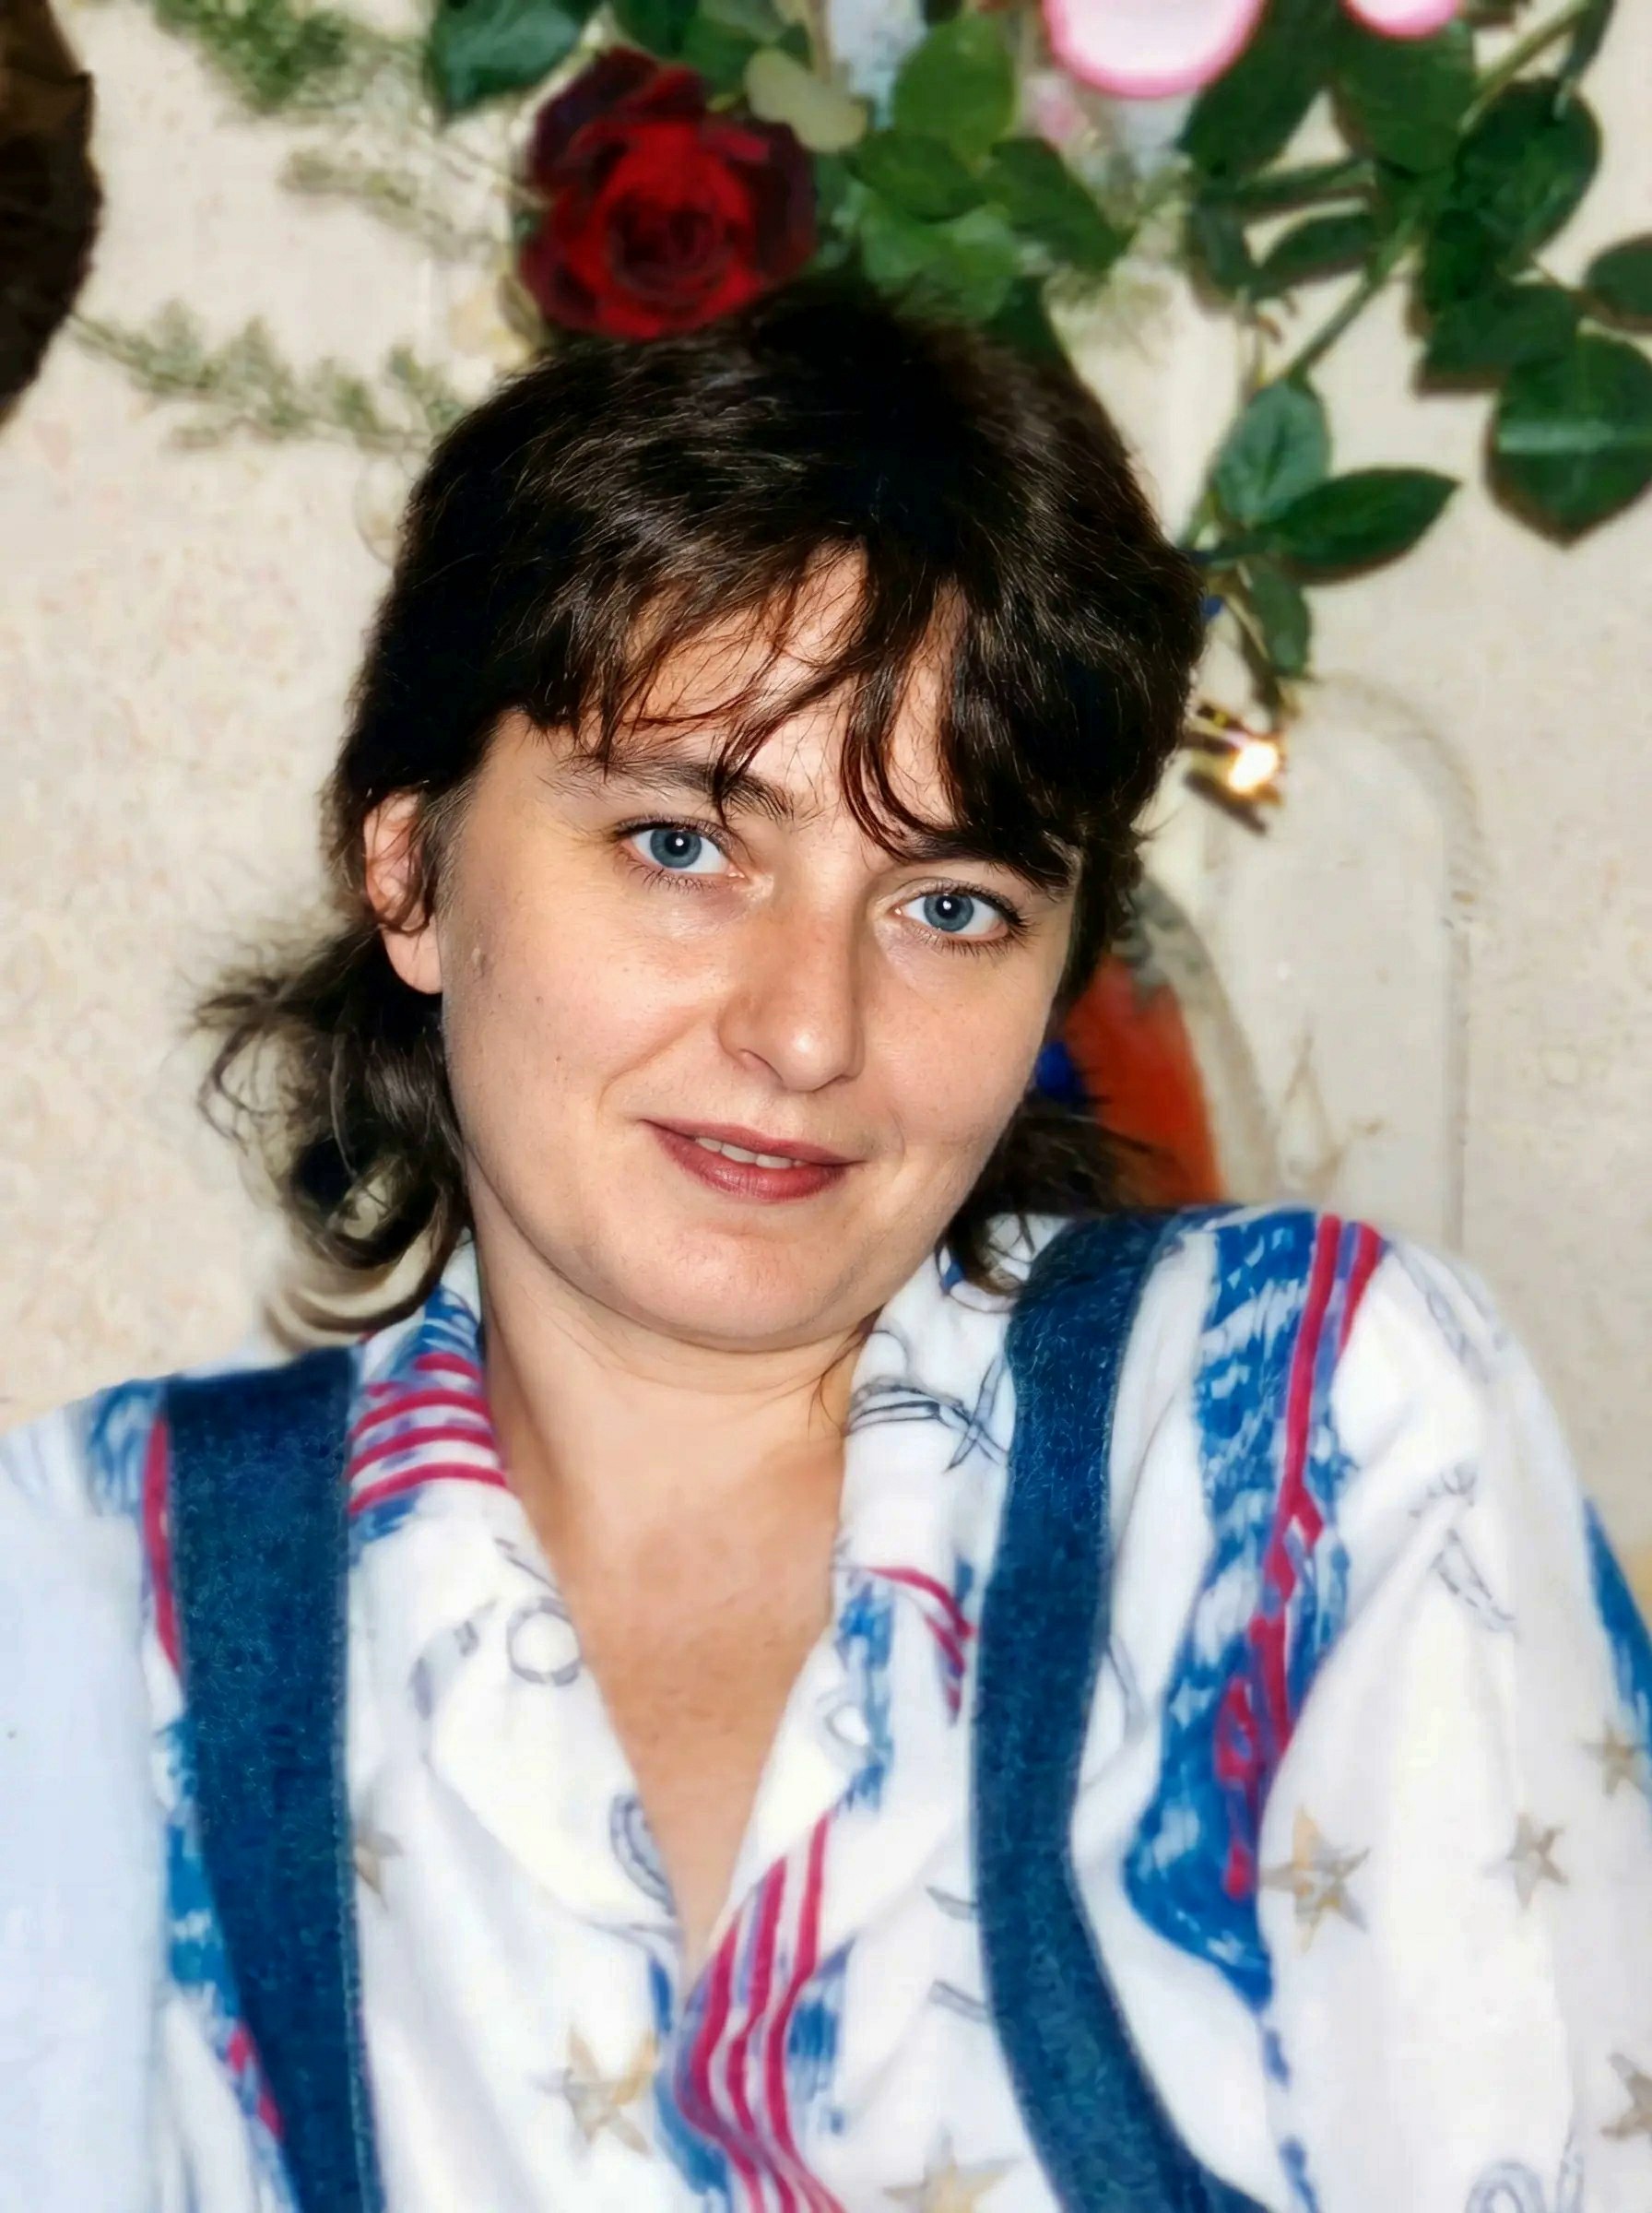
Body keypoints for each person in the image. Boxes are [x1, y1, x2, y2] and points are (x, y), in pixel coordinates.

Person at [2, 279, 1650, 2213]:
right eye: (683, 844)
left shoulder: (1292, 1446)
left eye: (949, 906)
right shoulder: (104, 1589)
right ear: (410, 868)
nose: (808, 1033)